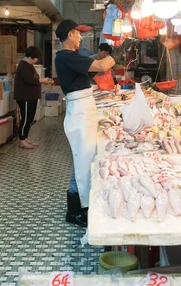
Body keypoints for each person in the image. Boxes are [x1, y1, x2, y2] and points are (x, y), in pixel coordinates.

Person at [54, 20, 115, 227]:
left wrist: (102, 58)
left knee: (85, 158)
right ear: (70, 34)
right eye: (78, 34)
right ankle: (76, 211)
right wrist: (114, 54)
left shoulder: (73, 58)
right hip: (79, 113)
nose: (81, 37)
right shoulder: (66, 56)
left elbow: (94, 69)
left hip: (83, 109)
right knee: (82, 161)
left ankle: (81, 205)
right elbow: (101, 66)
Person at [14, 46, 51, 149]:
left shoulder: (29, 65)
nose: (36, 60)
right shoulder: (23, 65)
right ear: (31, 56)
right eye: (36, 58)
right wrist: (42, 80)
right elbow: (30, 80)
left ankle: (25, 138)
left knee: (30, 118)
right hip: (25, 97)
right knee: (26, 118)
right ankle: (22, 140)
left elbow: (34, 78)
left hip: (31, 97)